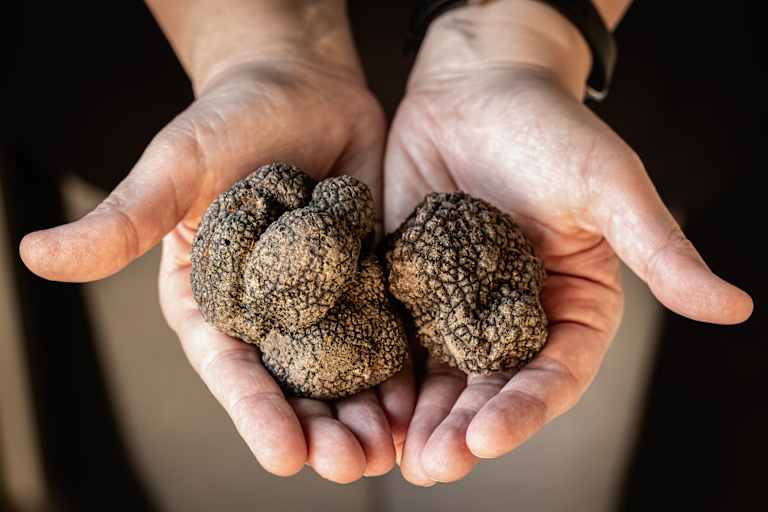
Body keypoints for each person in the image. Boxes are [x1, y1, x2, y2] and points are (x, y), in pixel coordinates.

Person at [18, 0, 752, 486]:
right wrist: (259, 44)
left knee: (556, 463)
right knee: (186, 453)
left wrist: (524, 37)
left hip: (603, 75)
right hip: (175, 64)